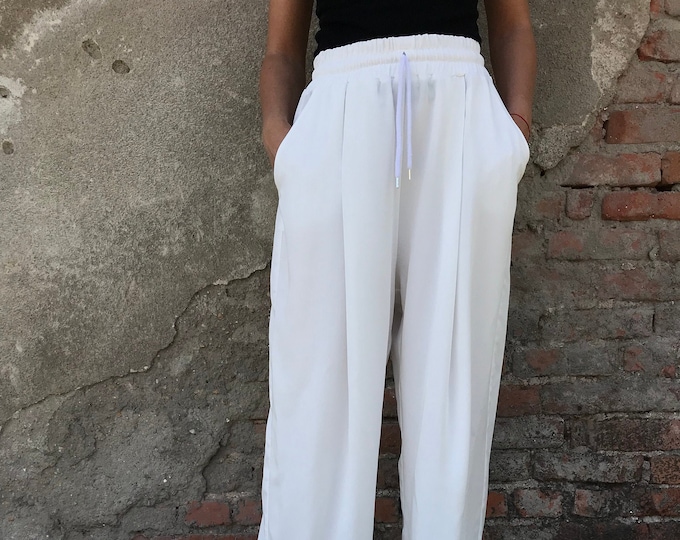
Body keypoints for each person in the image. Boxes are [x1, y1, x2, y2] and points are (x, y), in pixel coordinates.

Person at [258, 0, 536, 538]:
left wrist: (513, 133)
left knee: (453, 381)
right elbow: (281, 49)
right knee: (318, 381)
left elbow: (514, 24)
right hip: (341, 109)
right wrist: (284, 144)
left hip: (458, 108)